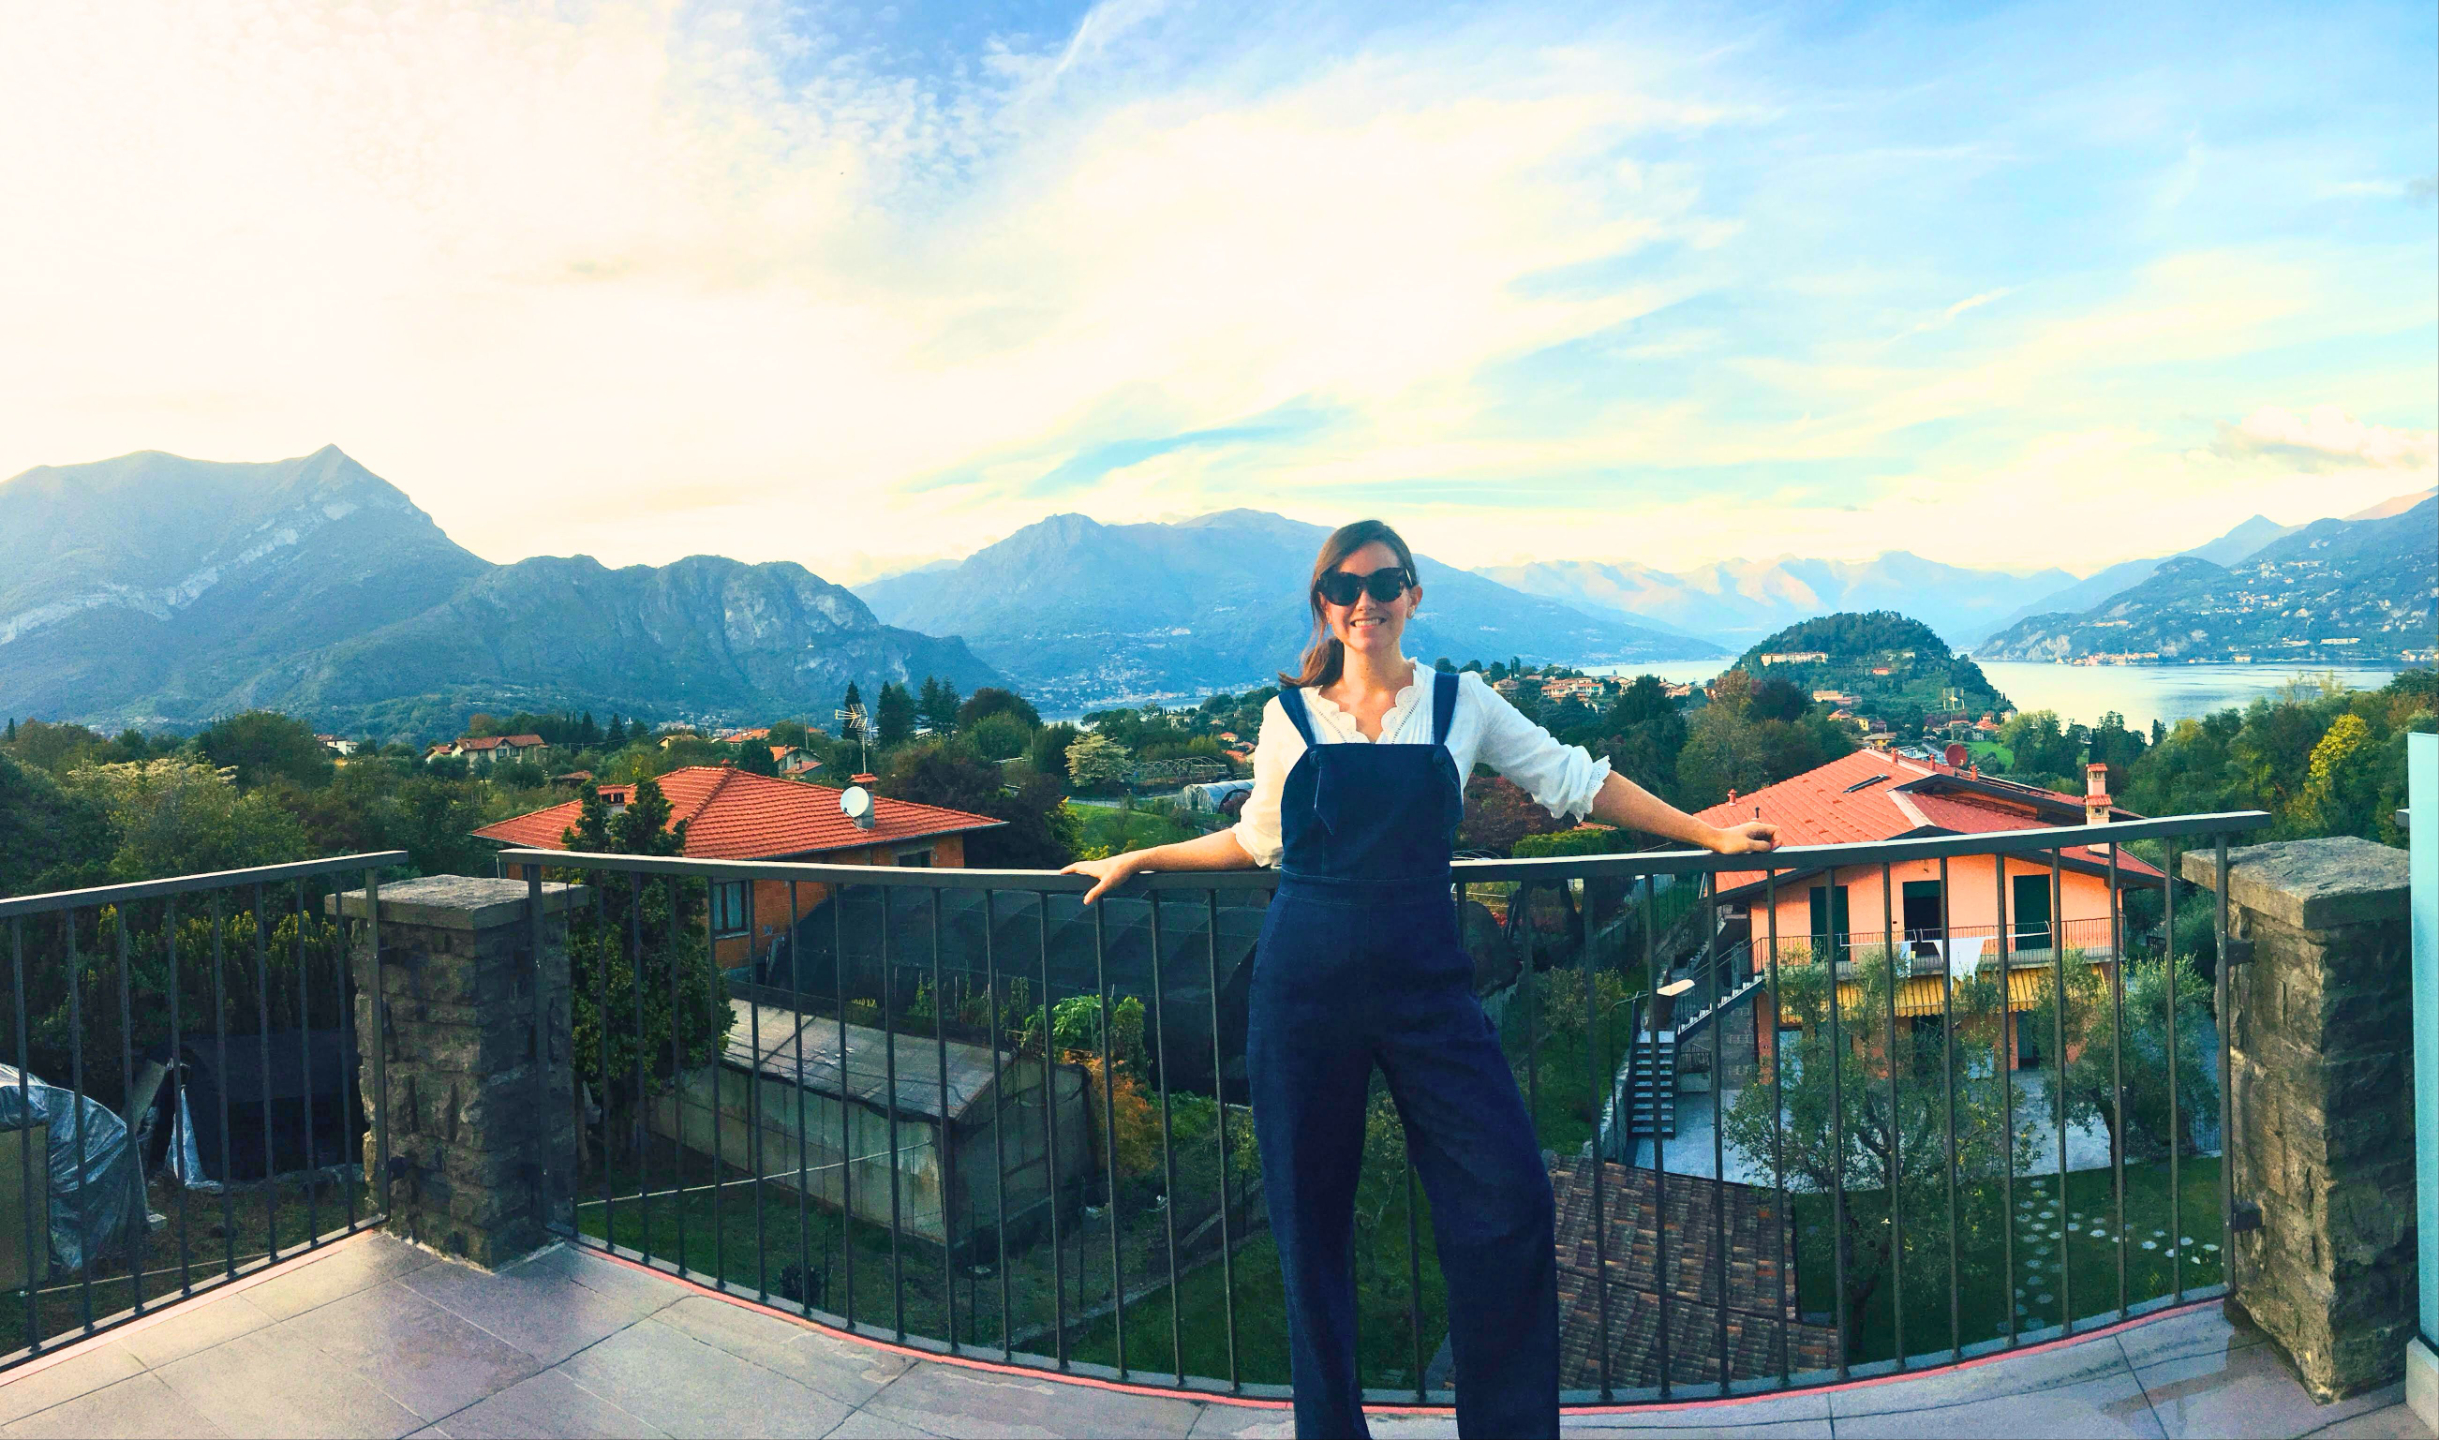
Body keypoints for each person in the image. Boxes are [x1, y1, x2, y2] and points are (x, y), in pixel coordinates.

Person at [1063, 520, 1776, 1438]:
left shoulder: (1458, 701)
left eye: (1384, 582)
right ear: (1323, 603)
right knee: (1308, 1219)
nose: (1365, 601)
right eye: (1344, 586)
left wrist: (1708, 835)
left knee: (1509, 1199)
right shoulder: (1286, 717)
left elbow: (1577, 781)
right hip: (1301, 986)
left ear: (1412, 594)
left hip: (1427, 986)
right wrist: (1141, 855)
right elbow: (1255, 839)